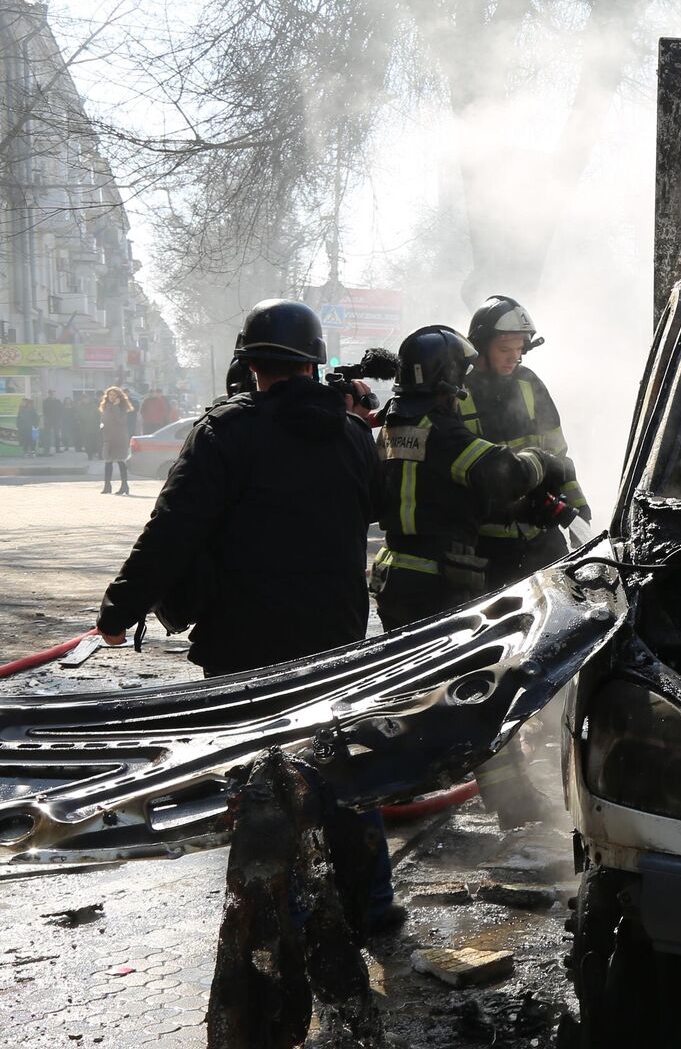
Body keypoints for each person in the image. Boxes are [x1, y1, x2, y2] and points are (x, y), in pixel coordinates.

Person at [93, 300, 398, 930]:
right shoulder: (352, 435)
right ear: (314, 361)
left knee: (258, 777)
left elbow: (172, 529)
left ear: (250, 362)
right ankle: (370, 908)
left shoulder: (226, 433)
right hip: (335, 638)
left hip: (245, 645)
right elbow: (379, 511)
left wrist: (120, 608)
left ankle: (275, 919)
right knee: (339, 766)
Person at [373, 325, 570, 828]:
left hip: (395, 574)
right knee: (477, 695)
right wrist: (539, 461)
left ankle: (395, 785)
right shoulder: (444, 432)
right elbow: (501, 471)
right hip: (442, 580)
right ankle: (516, 806)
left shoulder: (391, 429)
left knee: (411, 693)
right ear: (446, 378)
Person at [461, 295, 590, 589]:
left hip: (541, 538)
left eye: (519, 349)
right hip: (488, 545)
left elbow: (557, 454)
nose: (514, 358)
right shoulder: (461, 392)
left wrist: (578, 506)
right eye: (504, 348)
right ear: (481, 347)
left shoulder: (529, 383)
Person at [98, 387, 133, 492]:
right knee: (107, 462)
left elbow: (120, 421)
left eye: (114, 395)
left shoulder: (121, 408)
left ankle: (124, 486)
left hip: (119, 438)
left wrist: (116, 407)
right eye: (110, 395)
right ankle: (107, 486)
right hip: (108, 438)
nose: (111, 397)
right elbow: (103, 420)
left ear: (119, 397)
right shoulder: (105, 407)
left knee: (120, 461)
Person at [41, 390, 65, 454]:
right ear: (49, 394)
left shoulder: (58, 401)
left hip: (56, 420)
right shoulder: (45, 401)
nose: (52, 394)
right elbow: (44, 411)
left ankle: (57, 449)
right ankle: (46, 450)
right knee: (47, 435)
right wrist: (45, 420)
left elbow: (61, 411)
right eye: (51, 393)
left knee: (57, 435)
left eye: (53, 393)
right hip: (48, 420)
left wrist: (60, 420)